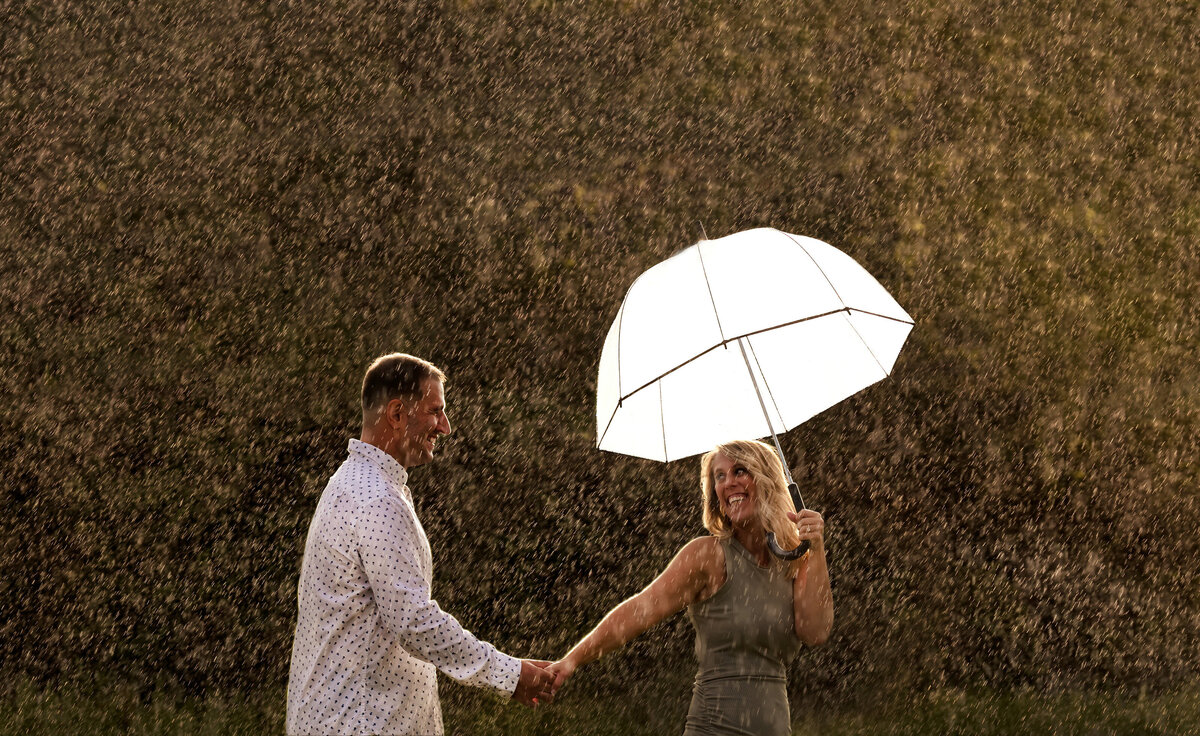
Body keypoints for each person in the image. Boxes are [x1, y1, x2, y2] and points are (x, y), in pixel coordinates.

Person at [287, 353, 556, 735]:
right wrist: (508, 674)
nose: (444, 427)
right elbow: (413, 621)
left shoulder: (356, 483)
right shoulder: (375, 498)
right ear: (396, 414)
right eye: (435, 411)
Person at [548, 439, 833, 736]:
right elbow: (641, 609)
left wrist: (817, 546)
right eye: (719, 477)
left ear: (767, 480)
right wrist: (572, 660)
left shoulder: (792, 560)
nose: (728, 484)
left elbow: (815, 632)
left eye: (739, 471)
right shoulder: (707, 555)